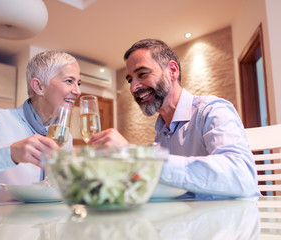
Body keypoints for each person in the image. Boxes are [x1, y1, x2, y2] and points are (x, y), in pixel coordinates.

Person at [88, 39, 261, 199]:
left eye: (142, 74)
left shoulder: (212, 110)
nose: (133, 87)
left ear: (172, 71)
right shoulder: (162, 132)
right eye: (130, 80)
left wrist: (135, 156)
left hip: (237, 224)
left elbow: (241, 176)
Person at [0, 50, 81, 202]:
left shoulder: (65, 138)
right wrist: (11, 153)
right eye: (69, 81)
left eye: (79, 83)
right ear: (39, 87)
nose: (78, 91)